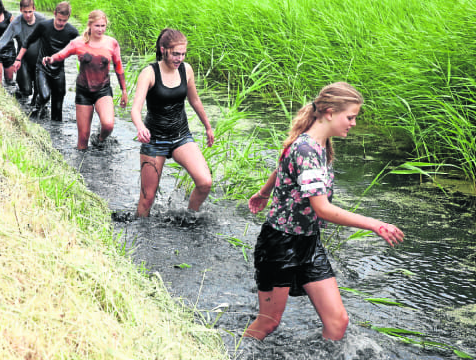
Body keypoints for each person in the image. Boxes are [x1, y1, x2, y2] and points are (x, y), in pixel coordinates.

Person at [244, 82, 405, 341]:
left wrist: (263, 193)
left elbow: (283, 167)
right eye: (350, 117)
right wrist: (374, 224)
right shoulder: (306, 149)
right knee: (268, 323)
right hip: (279, 245)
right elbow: (322, 209)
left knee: (338, 322)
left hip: (308, 243)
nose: (353, 123)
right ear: (329, 112)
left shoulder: (319, 144)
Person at [130, 28, 214, 217]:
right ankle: (140, 236)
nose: (180, 58)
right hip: (154, 140)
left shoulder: (186, 70)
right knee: (147, 199)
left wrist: (208, 127)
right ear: (163, 50)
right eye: (176, 54)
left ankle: (189, 218)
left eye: (183, 54)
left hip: (181, 136)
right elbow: (135, 109)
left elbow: (195, 101)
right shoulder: (149, 73)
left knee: (204, 182)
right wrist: (140, 127)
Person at [44, 10, 128, 147]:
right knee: (83, 139)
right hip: (84, 91)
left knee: (108, 125)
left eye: (103, 26)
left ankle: (99, 140)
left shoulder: (111, 43)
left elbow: (119, 68)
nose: (100, 29)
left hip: (103, 90)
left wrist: (124, 91)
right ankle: (81, 166)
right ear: (90, 25)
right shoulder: (78, 43)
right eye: (97, 26)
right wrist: (51, 59)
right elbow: (62, 54)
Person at [14, 1, 78, 121]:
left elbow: (81, 46)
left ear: (68, 18)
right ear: (54, 14)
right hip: (42, 67)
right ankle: (37, 107)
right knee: (44, 96)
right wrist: (18, 59)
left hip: (59, 70)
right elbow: (28, 41)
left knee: (58, 110)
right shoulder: (44, 26)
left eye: (64, 20)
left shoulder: (72, 31)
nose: (61, 23)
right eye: (59, 19)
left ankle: (56, 135)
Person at [0, 0, 46, 102]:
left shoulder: (42, 20)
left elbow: (50, 38)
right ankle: (20, 100)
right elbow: (3, 39)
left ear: (34, 9)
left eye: (30, 11)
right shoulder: (16, 22)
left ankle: (36, 108)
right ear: (20, 10)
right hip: (22, 59)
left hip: (38, 59)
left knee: (40, 92)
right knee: (26, 90)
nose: (28, 15)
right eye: (25, 12)